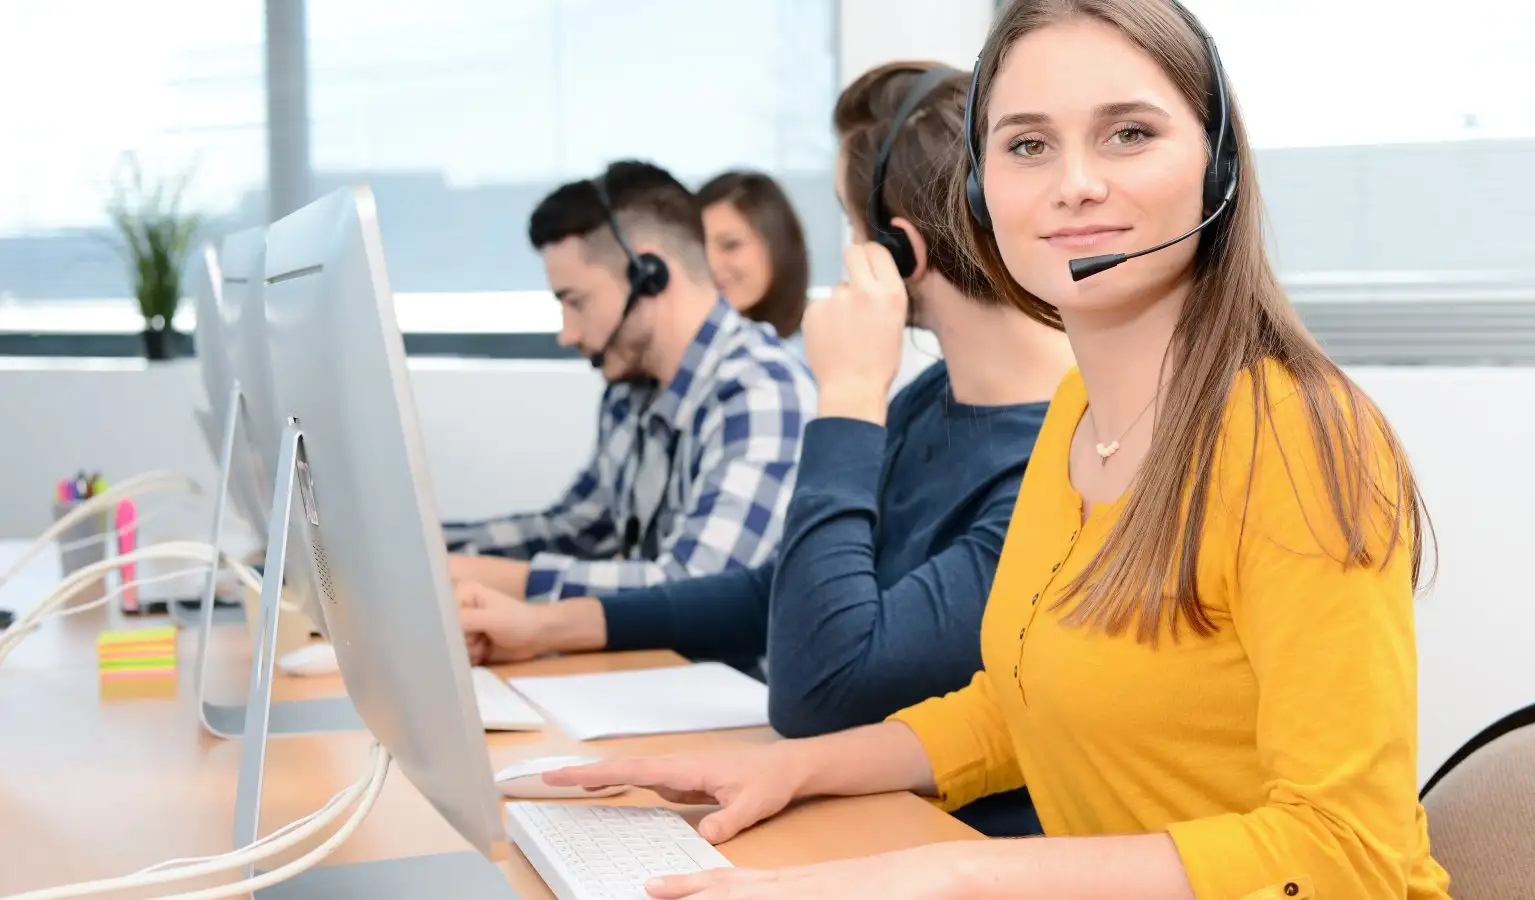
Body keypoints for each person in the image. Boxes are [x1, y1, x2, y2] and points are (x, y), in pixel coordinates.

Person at [540, 2, 1454, 898]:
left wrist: (955, 871)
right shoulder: (1074, 414)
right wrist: (795, 770)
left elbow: (1346, 852)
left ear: (1216, 169)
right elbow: (1018, 708)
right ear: (979, 192)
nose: (1075, 183)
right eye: (1027, 145)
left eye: (1129, 133)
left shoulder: (1301, 438)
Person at [454, 62, 1077, 838]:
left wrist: (848, 395)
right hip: (864, 821)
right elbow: (772, 592)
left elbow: (822, 691)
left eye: (854, 231)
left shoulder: (1062, 455)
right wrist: (546, 625)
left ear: (897, 249)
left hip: (950, 844)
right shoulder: (932, 402)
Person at [445, 161, 816, 602]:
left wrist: (497, 580)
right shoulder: (630, 390)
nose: (568, 334)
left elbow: (696, 587)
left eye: (576, 302)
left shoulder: (761, 392)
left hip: (725, 671)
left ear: (649, 276)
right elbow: (580, 528)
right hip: (654, 666)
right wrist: (430, 549)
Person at [696, 171, 811, 341]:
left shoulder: (814, 351)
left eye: (731, 245)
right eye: (699, 247)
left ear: (778, 244)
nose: (711, 264)